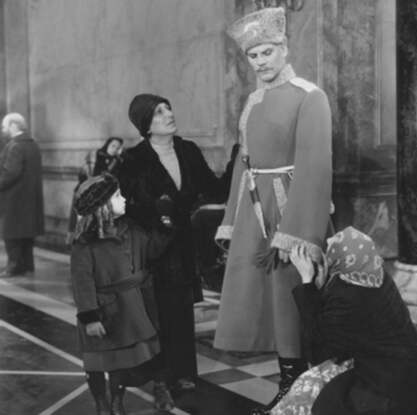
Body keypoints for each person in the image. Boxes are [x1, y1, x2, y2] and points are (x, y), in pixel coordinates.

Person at [215, 6, 333, 414]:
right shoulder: (253, 100)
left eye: (267, 52)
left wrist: (296, 233)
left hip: (291, 209)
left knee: (290, 297)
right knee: (263, 300)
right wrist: (231, 221)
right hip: (255, 210)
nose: (261, 61)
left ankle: (306, 386)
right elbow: (243, 164)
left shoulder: (310, 96)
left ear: (284, 48)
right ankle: (289, 382)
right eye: (253, 55)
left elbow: (315, 167)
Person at [119, 93, 234, 394]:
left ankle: (182, 373)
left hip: (181, 246)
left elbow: (215, 189)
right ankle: (157, 374)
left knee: (180, 312)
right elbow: (124, 206)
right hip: (150, 247)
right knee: (154, 313)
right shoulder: (133, 159)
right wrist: (156, 211)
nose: (169, 114)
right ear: (146, 124)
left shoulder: (187, 150)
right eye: (159, 112)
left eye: (168, 108)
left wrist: (238, 157)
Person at [270, 226, 417, 415]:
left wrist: (307, 282)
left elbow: (318, 353)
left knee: (314, 393)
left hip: (392, 390)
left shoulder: (346, 298)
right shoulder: (379, 277)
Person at [70, 173, 175, 414]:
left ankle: (117, 402)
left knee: (122, 362)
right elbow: (82, 282)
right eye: (117, 196)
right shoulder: (85, 242)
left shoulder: (131, 228)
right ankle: (101, 404)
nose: (124, 199)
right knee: (98, 362)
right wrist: (90, 317)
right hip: (105, 310)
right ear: (102, 206)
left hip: (132, 305)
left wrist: (165, 225)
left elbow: (151, 251)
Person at [0, 113, 44, 277]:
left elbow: (11, 173)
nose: (3, 130)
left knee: (11, 234)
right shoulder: (33, 144)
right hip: (29, 199)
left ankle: (14, 266)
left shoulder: (15, 146)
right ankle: (27, 265)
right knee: (26, 235)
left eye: (4, 126)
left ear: (13, 125)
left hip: (14, 199)